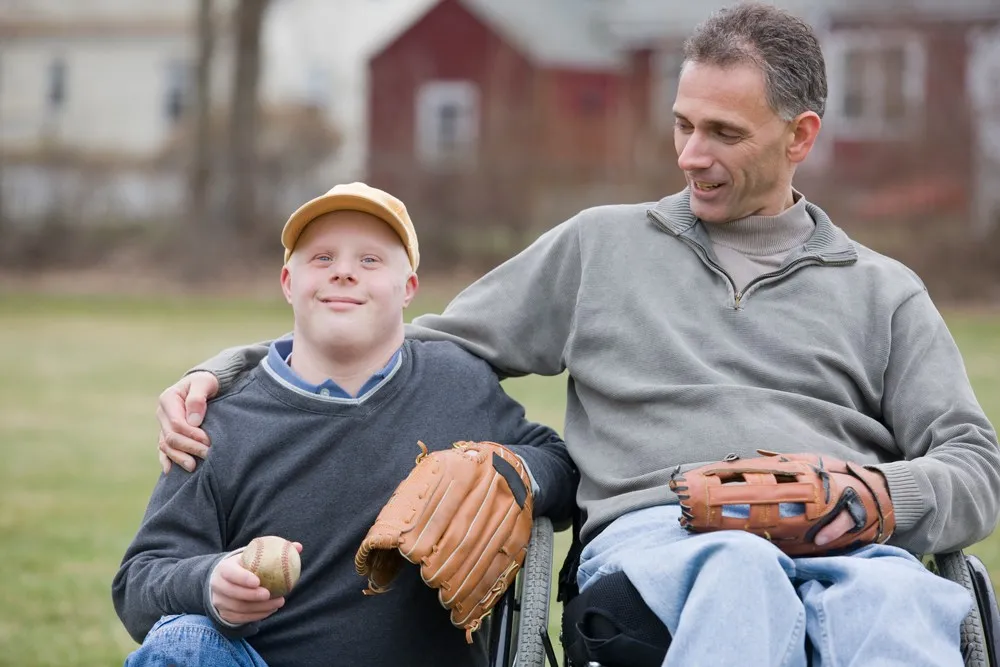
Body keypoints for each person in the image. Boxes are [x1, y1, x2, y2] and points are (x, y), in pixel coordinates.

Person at [155, 4, 1000, 666]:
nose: (690, 155)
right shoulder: (602, 247)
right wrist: (232, 370)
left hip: (850, 548)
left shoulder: (885, 292)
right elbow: (430, 342)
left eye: (724, 134)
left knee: (893, 608)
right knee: (742, 574)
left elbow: (975, 465)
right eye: (683, 124)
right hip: (666, 542)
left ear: (800, 136)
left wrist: (882, 499)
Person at [112, 182, 577, 667]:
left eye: (370, 261)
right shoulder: (221, 421)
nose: (344, 274)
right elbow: (138, 583)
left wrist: (511, 470)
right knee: (184, 642)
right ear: (289, 283)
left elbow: (561, 466)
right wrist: (210, 583)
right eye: (322, 258)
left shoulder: (456, 383)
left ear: (409, 290)